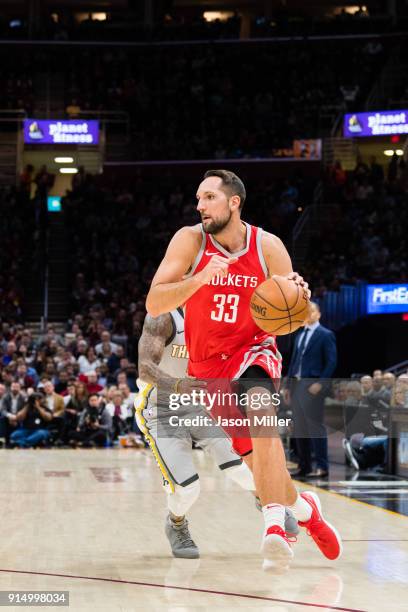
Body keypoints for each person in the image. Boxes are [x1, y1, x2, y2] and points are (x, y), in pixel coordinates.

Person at [146, 169, 342, 568]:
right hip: (208, 367)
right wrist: (200, 278)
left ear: (234, 202)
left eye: (209, 198)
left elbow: (292, 307)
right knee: (260, 467)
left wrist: (300, 296)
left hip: (253, 350)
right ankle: (306, 510)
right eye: (198, 199)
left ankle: (273, 526)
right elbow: (154, 302)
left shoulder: (267, 246)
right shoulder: (189, 241)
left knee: (260, 410)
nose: (200, 205)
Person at [136, 309, 299, 559]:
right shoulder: (163, 316)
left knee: (243, 468)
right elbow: (145, 368)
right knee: (188, 489)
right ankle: (176, 523)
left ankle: (269, 504)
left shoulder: (217, 313)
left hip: (203, 405)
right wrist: (178, 385)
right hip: (161, 410)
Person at [287, 302, 337, 478]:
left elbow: (331, 362)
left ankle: (322, 467)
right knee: (299, 428)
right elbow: (293, 362)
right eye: (306, 311)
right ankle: (304, 466)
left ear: (319, 314)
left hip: (313, 386)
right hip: (297, 386)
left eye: (313, 310)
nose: (309, 313)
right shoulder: (300, 334)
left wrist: (321, 384)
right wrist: (287, 386)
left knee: (315, 426)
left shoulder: (326, 334)